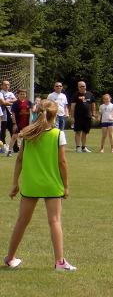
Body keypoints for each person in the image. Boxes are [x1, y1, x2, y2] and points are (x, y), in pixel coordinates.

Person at [3, 99, 76, 271]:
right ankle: (59, 262)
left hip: (31, 184)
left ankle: (10, 258)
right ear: (55, 115)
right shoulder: (58, 134)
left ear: (37, 113)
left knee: (22, 221)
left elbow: (19, 159)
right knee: (55, 221)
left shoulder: (27, 133)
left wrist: (15, 183)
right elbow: (62, 162)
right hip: (52, 184)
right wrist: (66, 186)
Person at [69, 81, 97, 153]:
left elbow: (93, 105)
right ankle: (78, 147)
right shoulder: (75, 95)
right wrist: (72, 117)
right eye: (80, 86)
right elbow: (72, 106)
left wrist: (93, 115)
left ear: (85, 86)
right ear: (78, 87)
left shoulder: (90, 94)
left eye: (83, 86)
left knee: (85, 132)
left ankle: (84, 147)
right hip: (78, 116)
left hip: (87, 116)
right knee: (78, 132)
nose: (82, 87)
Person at [7, 89, 32, 157]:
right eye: (21, 94)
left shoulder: (29, 102)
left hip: (26, 124)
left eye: (24, 94)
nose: (22, 95)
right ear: (18, 95)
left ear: (26, 95)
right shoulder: (15, 103)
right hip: (18, 123)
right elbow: (13, 114)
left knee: (27, 137)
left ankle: (26, 150)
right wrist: (14, 124)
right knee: (14, 137)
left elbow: (31, 112)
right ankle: (9, 151)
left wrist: (31, 123)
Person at [1, 80, 17, 151]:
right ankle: (3, 147)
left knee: (13, 130)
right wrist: (11, 102)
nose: (7, 86)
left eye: (8, 85)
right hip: (3, 114)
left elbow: (16, 100)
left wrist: (8, 101)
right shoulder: (1, 93)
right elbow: (3, 103)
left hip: (10, 114)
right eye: (5, 85)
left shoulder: (11, 93)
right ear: (2, 86)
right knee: (3, 131)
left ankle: (15, 147)